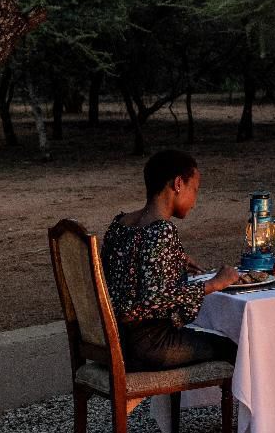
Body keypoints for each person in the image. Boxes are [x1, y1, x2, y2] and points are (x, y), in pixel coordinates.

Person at [101, 149, 241, 370]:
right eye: (194, 189)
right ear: (178, 184)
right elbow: (155, 297)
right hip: (150, 346)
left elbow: (118, 268)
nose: (194, 201)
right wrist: (215, 283)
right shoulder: (162, 230)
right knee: (234, 348)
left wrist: (173, 259)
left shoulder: (119, 224)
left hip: (116, 342)